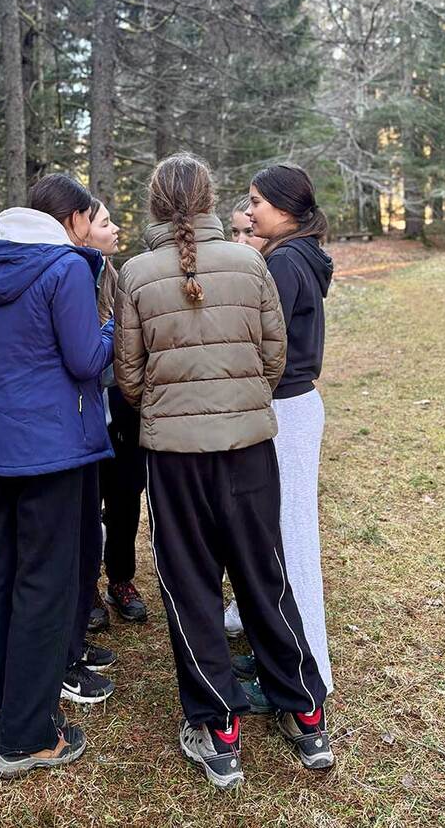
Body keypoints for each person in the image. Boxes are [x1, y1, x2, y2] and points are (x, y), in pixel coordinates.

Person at [114, 153, 333, 790]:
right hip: (248, 447)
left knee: (191, 584)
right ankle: (305, 712)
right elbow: (274, 357)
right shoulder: (251, 263)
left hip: (175, 457)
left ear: (156, 204)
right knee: (264, 574)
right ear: (210, 201)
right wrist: (237, 401)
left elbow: (129, 374)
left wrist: (169, 407)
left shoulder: (136, 274)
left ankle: (217, 726)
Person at [0, 173, 115, 779]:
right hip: (51, 448)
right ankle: (28, 737)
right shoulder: (67, 267)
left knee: (6, 573)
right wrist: (114, 330)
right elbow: (86, 359)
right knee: (45, 583)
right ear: (73, 220)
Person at [233, 164, 334, 711]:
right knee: (277, 534)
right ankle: (279, 651)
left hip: (286, 409)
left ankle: (307, 672)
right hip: (291, 406)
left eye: (256, 202)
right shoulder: (297, 254)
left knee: (291, 540)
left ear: (285, 208)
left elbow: (261, 341)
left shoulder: (286, 262)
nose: (250, 212)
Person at [86, 198, 149, 628]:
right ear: (80, 228)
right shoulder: (68, 277)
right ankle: (86, 584)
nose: (116, 229)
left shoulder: (119, 277)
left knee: (126, 498)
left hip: (125, 410)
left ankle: (121, 579)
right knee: (86, 504)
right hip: (84, 412)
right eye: (106, 223)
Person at [224, 196, 267, 639]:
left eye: (248, 232)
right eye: (233, 232)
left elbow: (274, 353)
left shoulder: (268, 275)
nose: (240, 240)